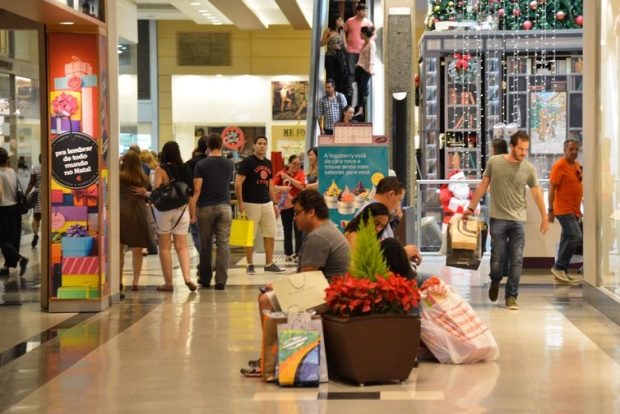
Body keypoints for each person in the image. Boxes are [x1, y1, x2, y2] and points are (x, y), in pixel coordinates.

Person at [241, 189, 351, 378]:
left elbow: (305, 280)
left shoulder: (318, 237)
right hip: (330, 290)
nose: (295, 218)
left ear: (311, 212)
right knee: (267, 294)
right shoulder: (325, 230)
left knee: (266, 301)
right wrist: (280, 284)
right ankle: (270, 355)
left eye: (298, 212)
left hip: (327, 296)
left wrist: (279, 287)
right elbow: (305, 272)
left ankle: (270, 359)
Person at [463, 131, 549, 311]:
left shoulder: (528, 168)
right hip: (498, 219)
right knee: (497, 259)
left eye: (526, 149)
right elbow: (483, 185)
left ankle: (511, 296)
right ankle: (495, 280)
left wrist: (545, 216)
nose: (524, 153)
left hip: (519, 220)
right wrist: (470, 208)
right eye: (521, 149)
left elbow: (536, 193)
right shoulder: (495, 162)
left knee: (517, 259)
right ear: (512, 146)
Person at [133, 141, 197, 292]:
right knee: (182, 247)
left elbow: (156, 193)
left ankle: (168, 283)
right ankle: (187, 278)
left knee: (164, 247)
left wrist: (144, 193)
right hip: (182, 210)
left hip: (164, 211)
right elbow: (191, 191)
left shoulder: (161, 169)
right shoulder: (186, 169)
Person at [189, 133, 235, 290]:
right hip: (225, 208)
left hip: (206, 208)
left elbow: (196, 190)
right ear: (221, 145)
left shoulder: (201, 165)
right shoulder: (230, 164)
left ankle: (206, 278)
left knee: (206, 245)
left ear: (207, 147)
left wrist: (192, 211)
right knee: (223, 244)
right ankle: (221, 280)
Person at [234, 135, 284, 274]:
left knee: (270, 233)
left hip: (266, 202)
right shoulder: (248, 162)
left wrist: (274, 203)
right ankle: (250, 263)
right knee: (249, 235)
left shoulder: (268, 163)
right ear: (254, 146)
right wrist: (240, 202)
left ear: (267, 146)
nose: (262, 146)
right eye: (259, 143)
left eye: (264, 144)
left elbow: (270, 184)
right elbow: (238, 183)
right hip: (250, 203)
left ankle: (269, 263)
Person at [358, 176, 423, 266]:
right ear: (391, 194)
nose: (398, 205)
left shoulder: (380, 212)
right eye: (399, 200)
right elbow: (370, 252)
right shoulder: (369, 212)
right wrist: (402, 253)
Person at [119, 151, 155, 291]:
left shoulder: (119, 177)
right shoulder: (143, 178)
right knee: (137, 250)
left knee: (119, 249)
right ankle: (135, 281)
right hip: (139, 212)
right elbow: (149, 196)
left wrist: (117, 163)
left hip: (121, 212)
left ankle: (118, 280)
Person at [548, 138, 583, 284]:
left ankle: (562, 271)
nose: (574, 152)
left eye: (576, 149)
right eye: (571, 149)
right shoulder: (559, 166)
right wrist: (550, 209)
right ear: (564, 150)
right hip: (563, 209)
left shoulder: (576, 165)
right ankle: (559, 266)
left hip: (574, 210)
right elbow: (552, 188)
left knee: (566, 239)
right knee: (575, 236)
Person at [0, 148, 28, 277]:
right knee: (12, 239)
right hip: (15, 209)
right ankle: (6, 267)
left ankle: (20, 258)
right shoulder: (12, 172)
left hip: (3, 209)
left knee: (3, 240)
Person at [273, 154, 306, 262]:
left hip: (298, 205)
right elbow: (272, 187)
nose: (296, 166)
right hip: (286, 206)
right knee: (287, 229)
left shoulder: (300, 173)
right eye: (294, 163)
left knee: (298, 230)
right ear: (289, 163)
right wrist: (282, 188)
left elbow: (301, 186)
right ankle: (288, 253)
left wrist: (288, 178)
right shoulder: (280, 174)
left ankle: (298, 254)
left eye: (298, 164)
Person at [185, 135, 209, 256]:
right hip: (211, 201)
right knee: (209, 234)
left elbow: (187, 185)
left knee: (196, 233)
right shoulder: (214, 163)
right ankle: (208, 259)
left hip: (194, 201)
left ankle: (205, 259)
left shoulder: (189, 164)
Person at [321, 13, 348, 97]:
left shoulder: (341, 31)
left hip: (339, 57)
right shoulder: (329, 30)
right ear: (334, 21)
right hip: (330, 56)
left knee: (340, 76)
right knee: (331, 75)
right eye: (339, 20)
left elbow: (345, 45)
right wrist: (330, 37)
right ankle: (329, 93)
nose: (341, 22)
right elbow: (321, 43)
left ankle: (338, 94)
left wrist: (340, 47)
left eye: (341, 20)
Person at [354, 25, 376, 120]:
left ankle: (361, 107)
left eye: (360, 33)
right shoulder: (365, 43)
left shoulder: (371, 43)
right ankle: (360, 109)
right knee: (358, 88)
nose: (359, 34)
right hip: (360, 67)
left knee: (362, 88)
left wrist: (371, 68)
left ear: (363, 33)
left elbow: (372, 57)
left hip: (366, 69)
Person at [25, 154, 42, 248]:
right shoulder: (52, 168)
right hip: (50, 195)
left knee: (36, 217)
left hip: (38, 194)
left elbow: (31, 183)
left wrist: (25, 195)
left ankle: (35, 234)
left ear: (39, 159)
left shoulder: (35, 168)